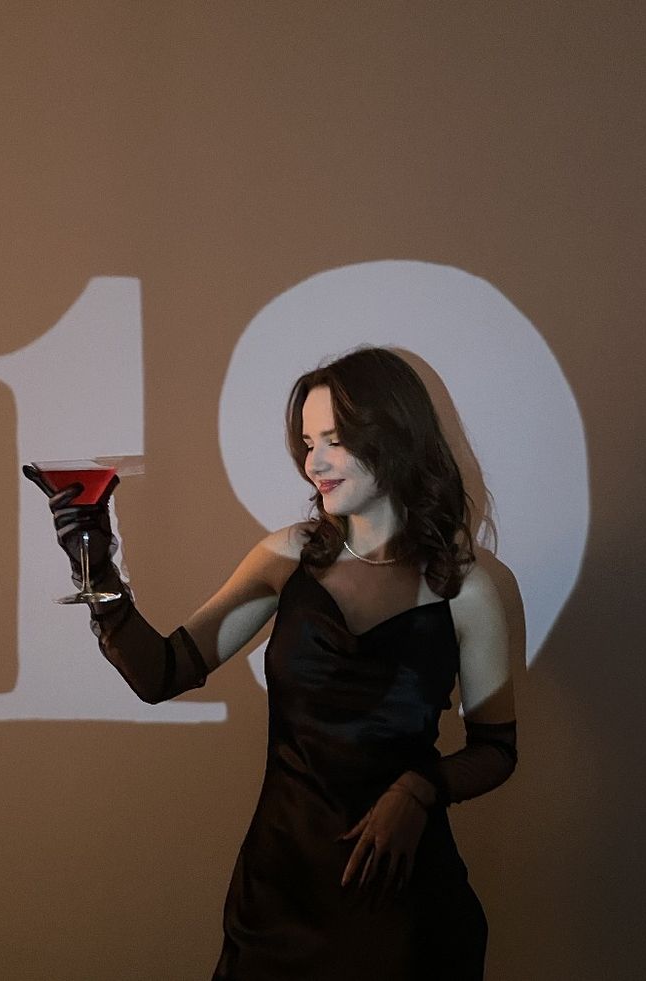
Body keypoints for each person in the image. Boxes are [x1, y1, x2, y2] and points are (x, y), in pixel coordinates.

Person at [26, 346, 518, 980]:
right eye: (308, 442)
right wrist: (94, 561)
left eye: (334, 440)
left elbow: (496, 750)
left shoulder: (467, 586)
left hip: (404, 908)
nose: (313, 462)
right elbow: (162, 673)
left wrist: (419, 790)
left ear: (393, 435)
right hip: (280, 897)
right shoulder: (288, 558)